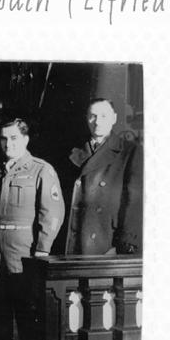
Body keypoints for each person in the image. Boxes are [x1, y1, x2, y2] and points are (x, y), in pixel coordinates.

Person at [0, 118, 65, 340]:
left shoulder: (40, 170)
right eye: (4, 138)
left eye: (14, 138)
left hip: (25, 251)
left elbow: (52, 212)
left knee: (27, 311)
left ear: (26, 139)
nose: (8, 143)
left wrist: (42, 250)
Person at [65, 98, 143, 255]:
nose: (97, 122)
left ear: (114, 118)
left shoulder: (130, 152)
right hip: (75, 236)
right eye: (92, 116)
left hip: (106, 241)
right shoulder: (73, 151)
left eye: (103, 116)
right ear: (86, 118)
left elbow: (134, 203)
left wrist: (124, 246)